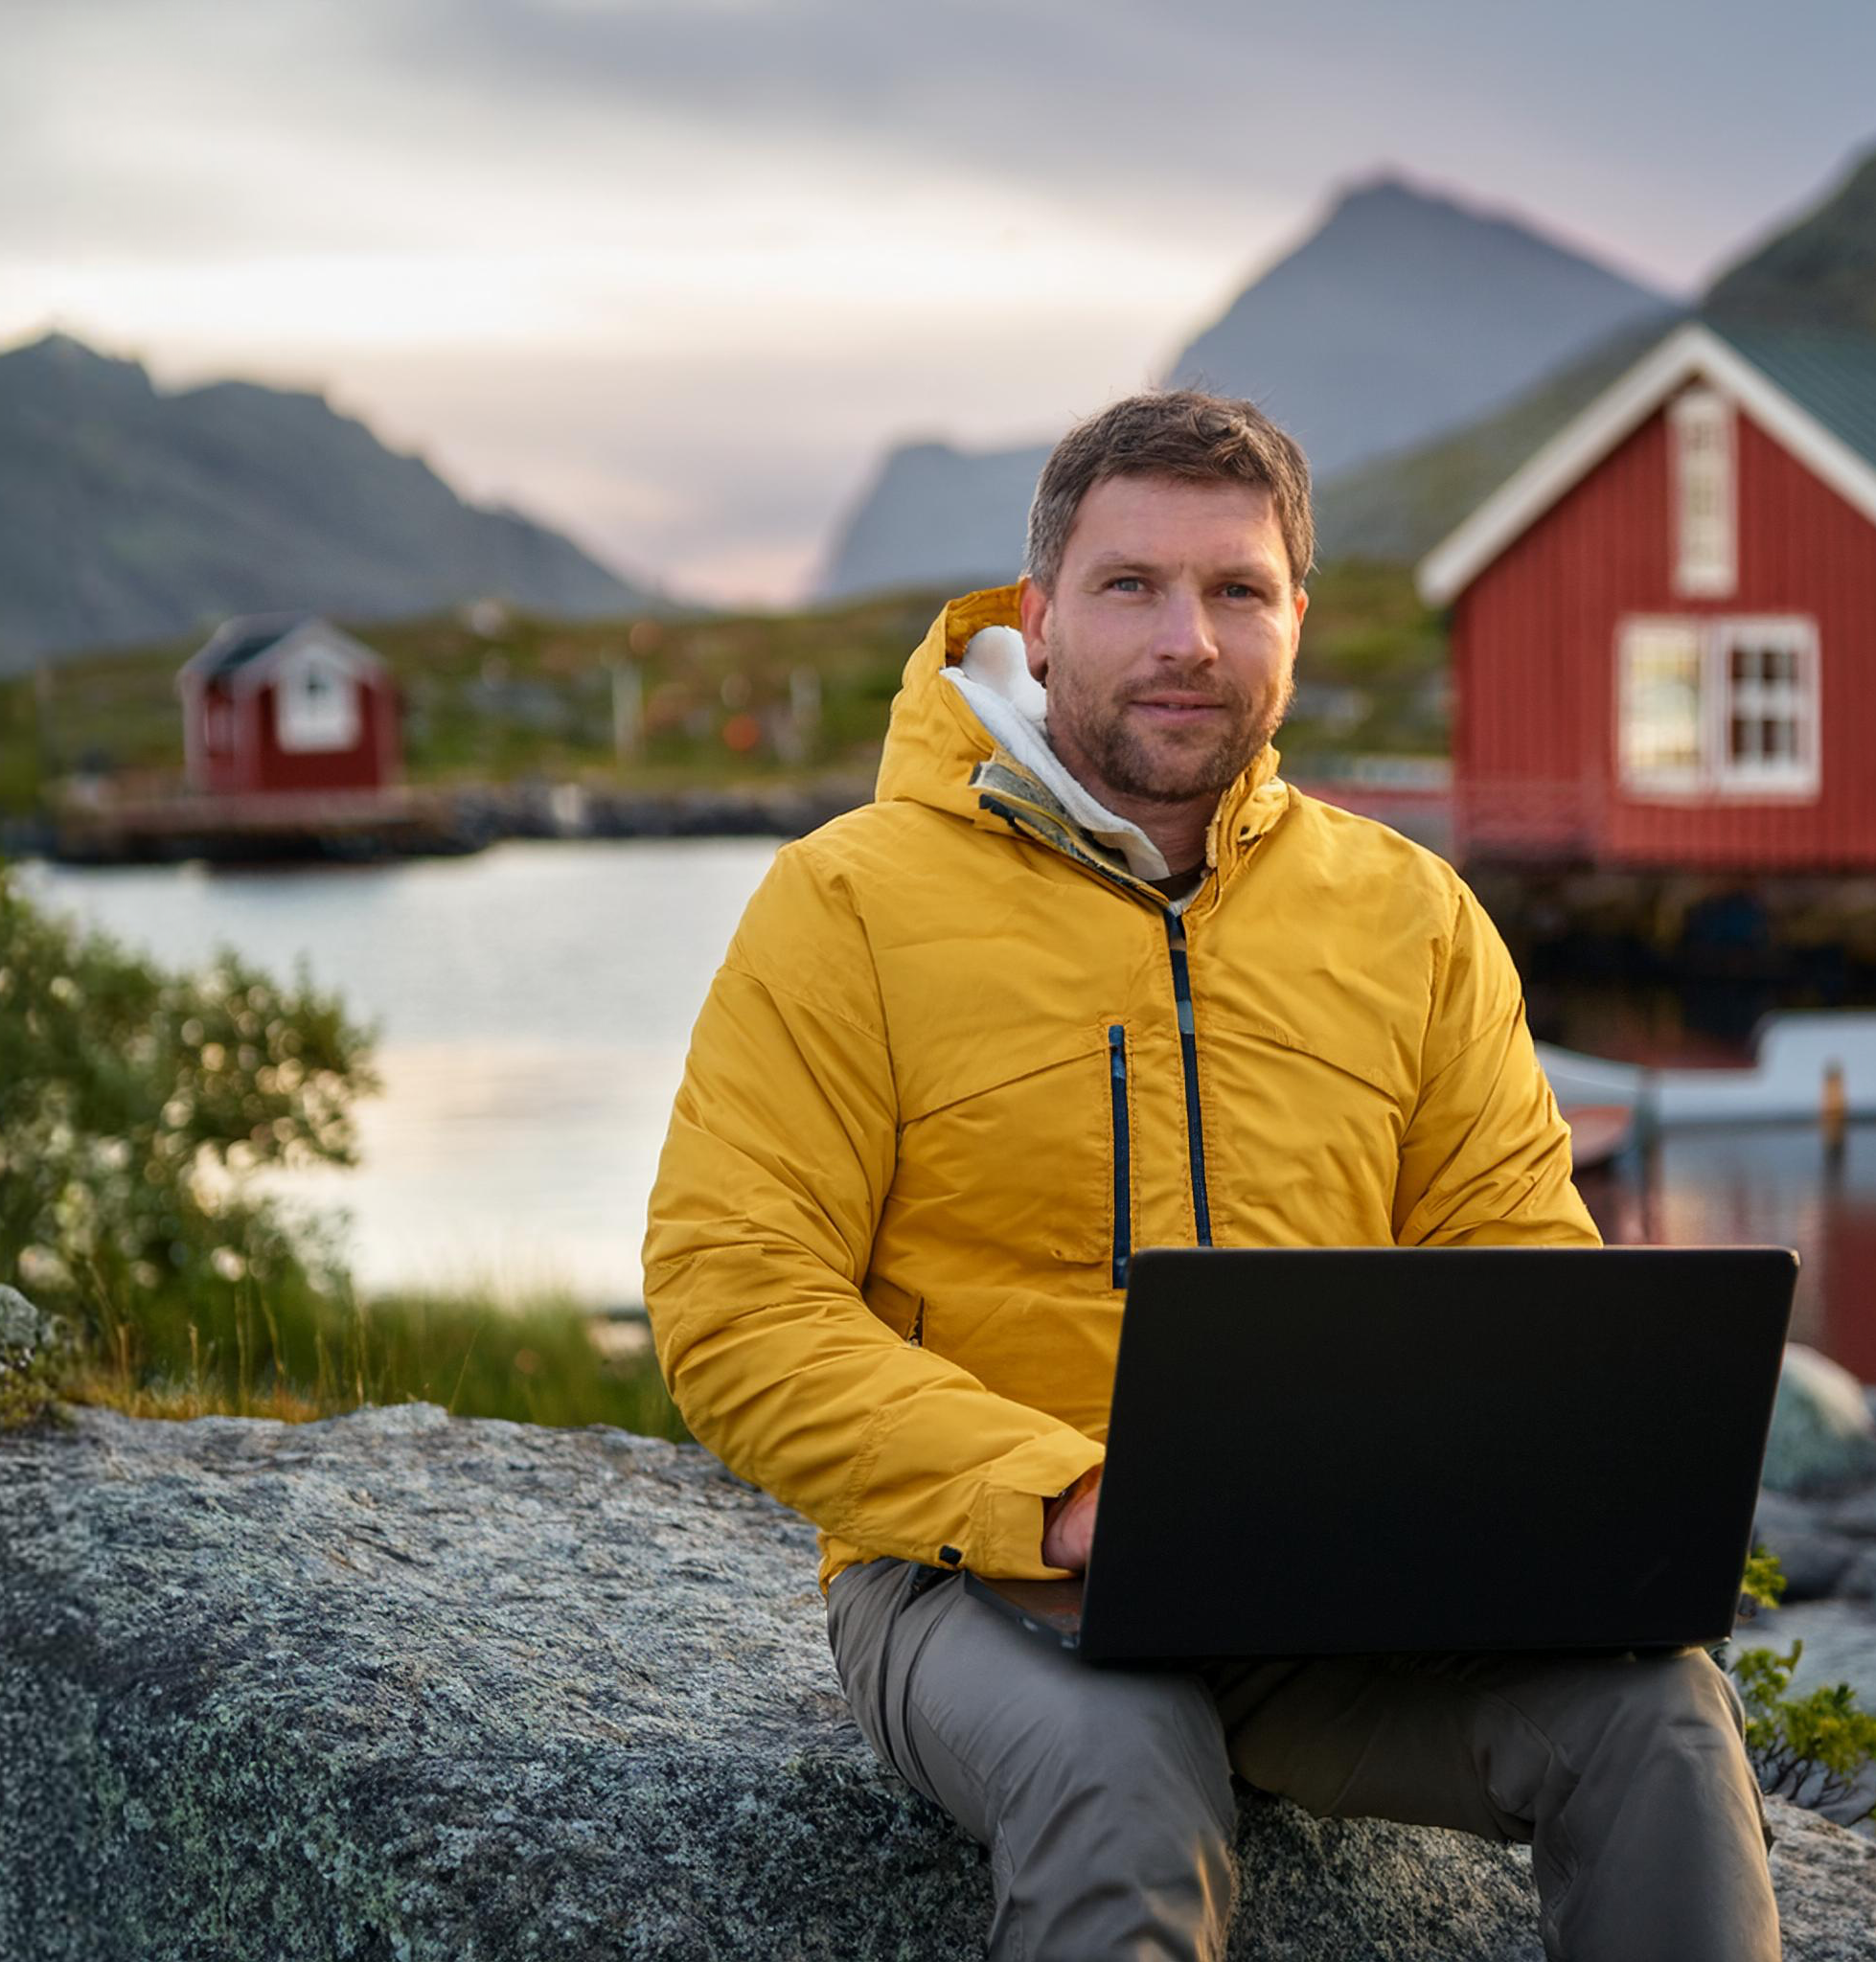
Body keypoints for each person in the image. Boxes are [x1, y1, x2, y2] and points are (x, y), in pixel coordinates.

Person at [641, 391, 1777, 1961]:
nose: (1190, 637)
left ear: (1296, 622)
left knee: (1659, 1715)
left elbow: (1518, 1271)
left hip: (1329, 1584)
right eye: (1132, 587)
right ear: (1038, 621)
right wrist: (1070, 1499)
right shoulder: (845, 907)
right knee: (1123, 1769)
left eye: (1237, 590)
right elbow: (735, 1307)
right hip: (972, 1572)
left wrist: (1539, 1505)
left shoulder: (1414, 918)